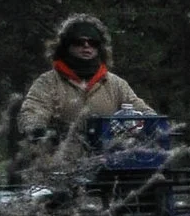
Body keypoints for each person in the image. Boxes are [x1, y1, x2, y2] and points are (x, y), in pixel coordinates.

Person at [18, 14, 153, 153]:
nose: (86, 46)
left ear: (99, 47)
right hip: (59, 166)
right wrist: (39, 130)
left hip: (108, 164)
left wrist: (152, 125)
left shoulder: (115, 84)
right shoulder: (48, 83)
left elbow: (144, 112)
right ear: (66, 45)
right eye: (78, 41)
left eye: (93, 42)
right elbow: (32, 112)